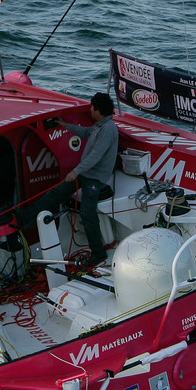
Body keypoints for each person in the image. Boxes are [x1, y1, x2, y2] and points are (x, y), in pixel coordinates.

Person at [40, 92, 119, 265]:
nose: (90, 110)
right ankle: (25, 218)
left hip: (94, 179)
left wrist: (75, 172)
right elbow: (85, 132)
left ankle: (98, 253)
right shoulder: (99, 125)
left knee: (88, 213)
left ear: (98, 110)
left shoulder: (108, 129)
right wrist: (65, 125)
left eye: (92, 107)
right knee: (55, 194)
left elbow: (95, 156)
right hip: (85, 174)